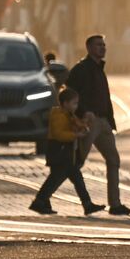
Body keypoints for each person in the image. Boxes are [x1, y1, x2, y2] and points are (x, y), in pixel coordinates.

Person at [68, 34, 130, 216]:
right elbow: (69, 94)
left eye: (104, 45)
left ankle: (115, 204)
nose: (103, 48)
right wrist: (82, 113)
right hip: (88, 122)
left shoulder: (99, 69)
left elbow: (104, 97)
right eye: (99, 45)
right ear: (89, 47)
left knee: (113, 160)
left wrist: (109, 119)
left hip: (104, 122)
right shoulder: (81, 69)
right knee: (76, 162)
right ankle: (46, 196)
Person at [30, 86, 105, 216]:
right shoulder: (58, 116)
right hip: (59, 152)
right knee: (54, 180)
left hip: (67, 154)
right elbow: (59, 134)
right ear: (65, 103)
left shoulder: (68, 114)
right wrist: (75, 135)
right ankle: (40, 201)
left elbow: (78, 126)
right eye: (74, 103)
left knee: (76, 179)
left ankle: (87, 204)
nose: (76, 106)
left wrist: (84, 124)